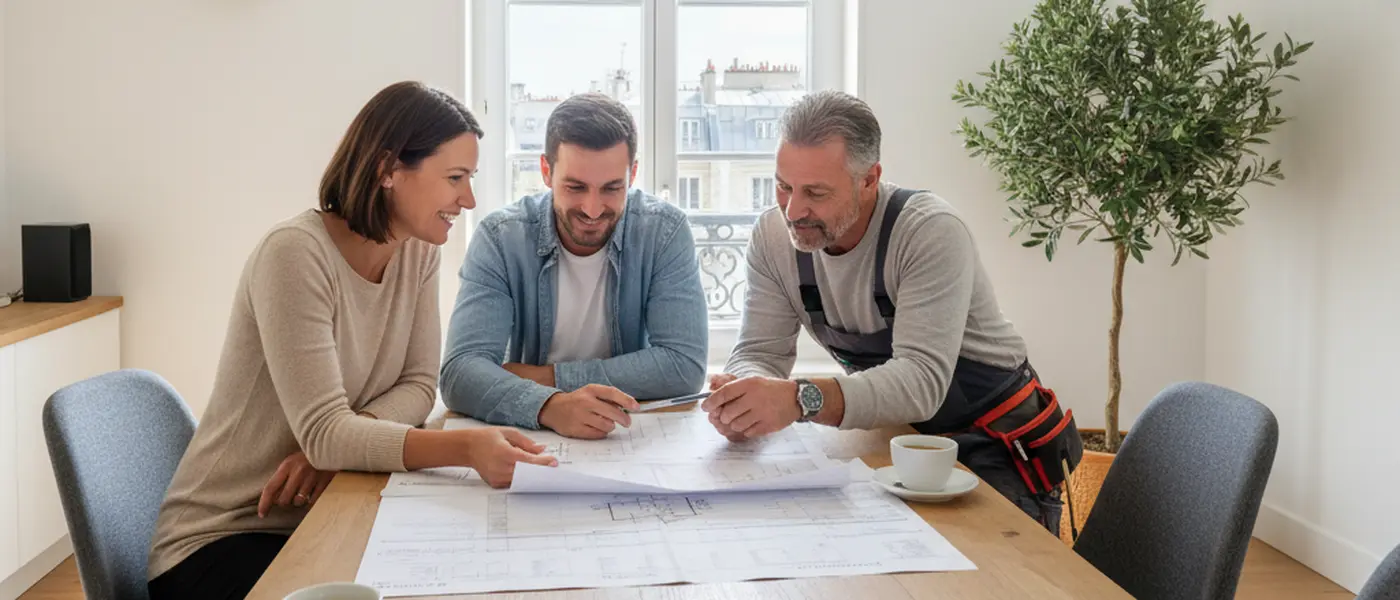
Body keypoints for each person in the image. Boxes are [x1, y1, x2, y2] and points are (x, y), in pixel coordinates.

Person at [146, 81, 557, 600]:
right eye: (455, 177)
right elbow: (322, 431)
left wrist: (348, 441)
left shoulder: (418, 251)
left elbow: (417, 386)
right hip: (223, 538)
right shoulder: (294, 255)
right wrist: (464, 447)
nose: (468, 199)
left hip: (324, 506)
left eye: (470, 178)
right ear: (388, 170)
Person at [702, 90, 1081, 533]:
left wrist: (800, 398)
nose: (793, 210)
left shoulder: (929, 232)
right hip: (897, 442)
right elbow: (759, 351)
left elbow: (921, 382)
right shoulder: (773, 237)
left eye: (816, 193)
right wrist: (743, 391)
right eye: (783, 185)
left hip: (993, 448)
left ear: (869, 179)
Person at [440, 92, 708, 439]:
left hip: (627, 431)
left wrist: (547, 378)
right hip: (531, 426)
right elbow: (460, 373)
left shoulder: (664, 232)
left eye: (612, 188)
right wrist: (549, 405)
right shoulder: (500, 238)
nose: (593, 209)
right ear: (546, 171)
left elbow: (683, 366)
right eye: (575, 187)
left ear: (634, 173)